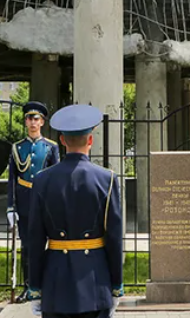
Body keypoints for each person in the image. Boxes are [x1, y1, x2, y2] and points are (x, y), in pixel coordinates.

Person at [25, 104, 123, 318]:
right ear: (90, 140)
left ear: (61, 140)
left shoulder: (42, 180)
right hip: (95, 282)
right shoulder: (106, 179)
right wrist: (116, 285)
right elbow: (114, 239)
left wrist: (35, 288)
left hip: (55, 282)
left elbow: (34, 239)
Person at [8, 101, 60, 302]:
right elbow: (12, 179)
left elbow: (55, 178)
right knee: (27, 247)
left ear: (42, 122)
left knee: (49, 245)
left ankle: (46, 285)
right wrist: (11, 207)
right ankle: (29, 286)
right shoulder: (17, 148)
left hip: (44, 202)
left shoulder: (50, 147)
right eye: (29, 118)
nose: (32, 122)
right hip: (25, 203)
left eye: (36, 119)